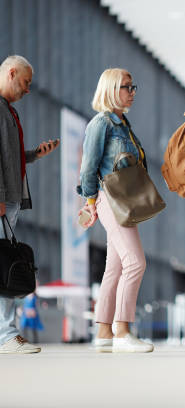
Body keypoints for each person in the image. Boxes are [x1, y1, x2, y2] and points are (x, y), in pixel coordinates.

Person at [78, 68, 153, 353]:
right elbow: (88, 167)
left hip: (125, 199)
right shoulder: (102, 123)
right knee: (136, 262)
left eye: (134, 87)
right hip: (109, 198)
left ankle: (103, 332)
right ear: (110, 89)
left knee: (116, 266)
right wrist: (90, 203)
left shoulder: (123, 124)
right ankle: (123, 330)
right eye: (126, 87)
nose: (132, 92)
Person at [0, 55, 59, 354]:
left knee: (4, 265)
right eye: (25, 82)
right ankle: (6, 335)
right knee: (3, 267)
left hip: (10, 198)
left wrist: (34, 154)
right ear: (11, 73)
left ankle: (6, 334)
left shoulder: (8, 111)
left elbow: (9, 155)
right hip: (2, 199)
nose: (28, 90)